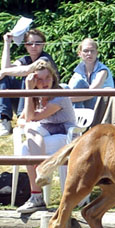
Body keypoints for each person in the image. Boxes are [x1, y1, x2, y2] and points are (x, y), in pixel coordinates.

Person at [15, 60, 76, 214]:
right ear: (34, 80)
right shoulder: (36, 96)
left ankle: (36, 196)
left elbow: (30, 117)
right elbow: (22, 118)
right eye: (39, 79)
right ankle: (42, 174)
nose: (44, 83)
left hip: (66, 136)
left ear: (53, 77)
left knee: (25, 148)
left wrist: (28, 92)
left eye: (47, 78)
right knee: (29, 136)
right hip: (44, 135)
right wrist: (30, 93)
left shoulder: (59, 95)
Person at [0, 28, 59, 136]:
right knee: (5, 78)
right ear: (25, 45)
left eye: (38, 43)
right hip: (29, 98)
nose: (33, 46)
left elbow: (27, 70)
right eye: (29, 43)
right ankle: (5, 120)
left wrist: (3, 72)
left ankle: (22, 119)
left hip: (41, 100)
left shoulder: (45, 59)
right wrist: (7, 43)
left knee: (28, 77)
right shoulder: (26, 59)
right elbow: (5, 68)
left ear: (43, 45)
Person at [66, 38, 114, 109]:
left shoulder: (103, 71)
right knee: (64, 87)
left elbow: (92, 93)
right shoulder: (78, 72)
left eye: (92, 51)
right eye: (86, 51)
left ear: (97, 53)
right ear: (79, 54)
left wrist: (65, 99)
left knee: (79, 83)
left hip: (101, 107)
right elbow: (70, 89)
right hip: (84, 106)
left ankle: (76, 117)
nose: (89, 54)